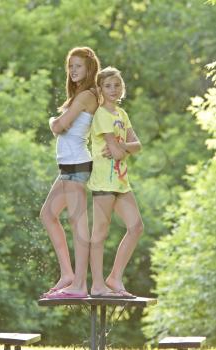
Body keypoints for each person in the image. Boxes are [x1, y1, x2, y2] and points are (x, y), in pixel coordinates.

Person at [40, 47, 100, 299]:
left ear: (89, 69)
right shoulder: (78, 96)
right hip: (68, 168)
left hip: (77, 168)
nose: (73, 70)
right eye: (70, 66)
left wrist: (53, 120)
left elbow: (61, 126)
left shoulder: (87, 95)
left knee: (78, 226)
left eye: (78, 66)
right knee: (47, 215)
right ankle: (67, 274)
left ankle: (79, 284)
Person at [88, 66, 143, 298]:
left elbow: (136, 145)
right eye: (108, 86)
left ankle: (115, 277)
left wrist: (121, 147)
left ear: (122, 88)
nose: (113, 89)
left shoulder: (122, 115)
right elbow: (121, 152)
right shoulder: (101, 115)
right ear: (100, 89)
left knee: (136, 227)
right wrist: (123, 149)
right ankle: (97, 285)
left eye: (117, 85)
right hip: (103, 183)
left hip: (121, 182)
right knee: (99, 234)